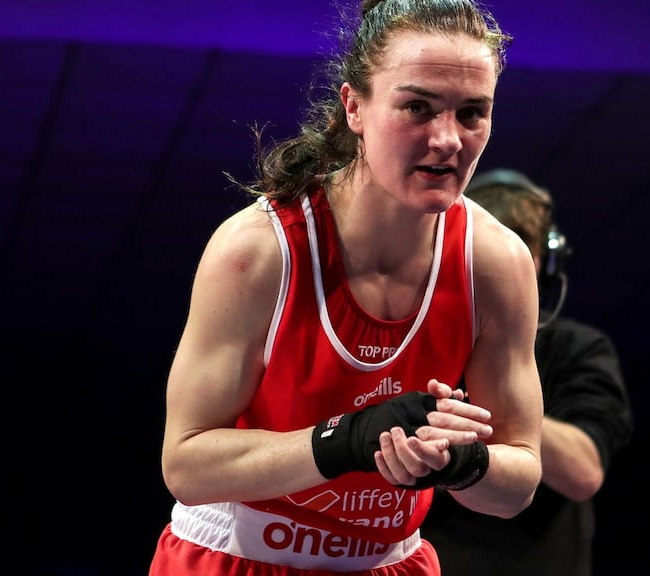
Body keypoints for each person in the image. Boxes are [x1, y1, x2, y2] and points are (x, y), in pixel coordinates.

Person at [148, 1, 545, 575]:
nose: (448, 139)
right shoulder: (259, 249)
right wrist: (349, 440)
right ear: (354, 106)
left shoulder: (497, 262)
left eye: (472, 113)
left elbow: (518, 484)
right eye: (417, 106)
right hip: (234, 557)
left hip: (390, 563)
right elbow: (185, 464)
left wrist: (460, 460)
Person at [420, 168, 634, 576]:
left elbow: (584, 473)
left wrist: (498, 397)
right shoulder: (414, 338)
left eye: (521, 245)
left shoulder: (576, 347)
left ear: (544, 260)